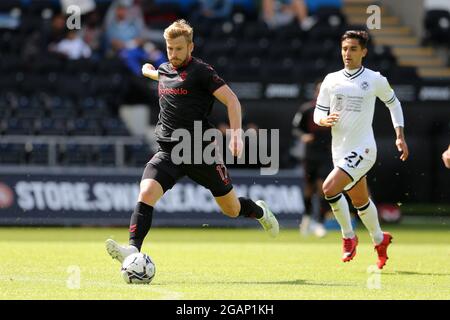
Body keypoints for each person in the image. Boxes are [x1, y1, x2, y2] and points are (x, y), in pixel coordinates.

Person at [105, 19, 279, 263]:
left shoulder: (202, 72)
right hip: (168, 151)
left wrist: (237, 134)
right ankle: (133, 250)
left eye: (178, 48)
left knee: (232, 210)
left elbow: (232, 101)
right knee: (146, 193)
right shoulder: (165, 69)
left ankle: (260, 211)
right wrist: (148, 71)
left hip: (200, 152)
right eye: (169, 49)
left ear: (191, 47)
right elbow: (163, 75)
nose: (173, 54)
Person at [313, 30, 409, 269]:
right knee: (360, 201)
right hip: (340, 150)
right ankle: (380, 239)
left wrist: (400, 135)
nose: (347, 53)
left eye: (353, 49)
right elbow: (318, 112)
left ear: (364, 52)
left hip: (364, 149)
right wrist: (322, 121)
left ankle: (348, 236)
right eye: (345, 48)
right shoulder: (331, 79)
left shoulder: (375, 79)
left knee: (329, 188)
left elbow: (393, 103)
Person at [293, 81, 332, 238]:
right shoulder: (307, 109)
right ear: (316, 92)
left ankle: (320, 223)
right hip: (310, 155)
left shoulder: (335, 110)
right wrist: (303, 136)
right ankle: (307, 219)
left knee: (323, 188)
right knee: (309, 189)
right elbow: (295, 128)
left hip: (327, 154)